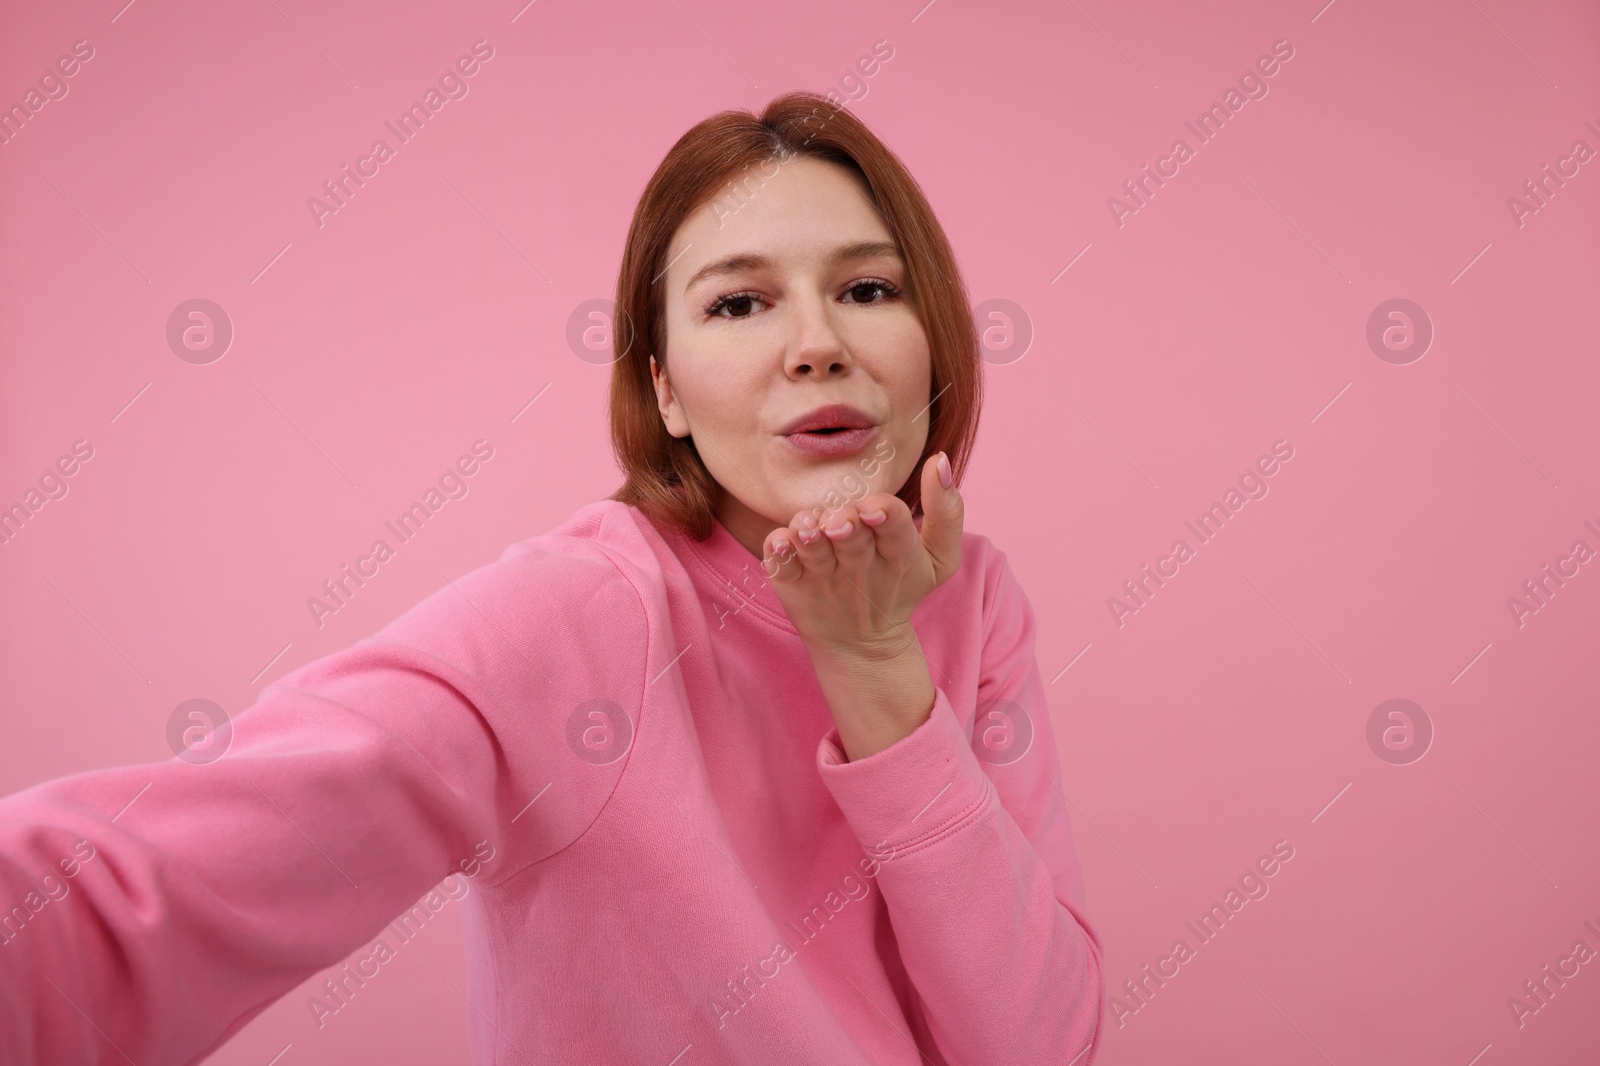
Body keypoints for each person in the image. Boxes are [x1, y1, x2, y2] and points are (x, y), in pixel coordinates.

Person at [0, 89, 1105, 1065]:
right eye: (738, 302)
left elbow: (1036, 1043)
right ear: (666, 392)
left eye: (868, 289)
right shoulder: (583, 612)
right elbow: (154, 875)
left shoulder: (968, 594)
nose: (817, 343)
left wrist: (873, 662)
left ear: (937, 342)